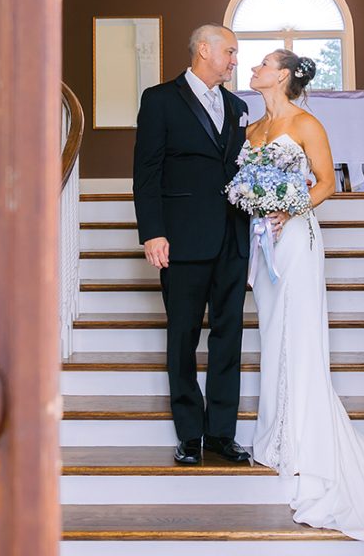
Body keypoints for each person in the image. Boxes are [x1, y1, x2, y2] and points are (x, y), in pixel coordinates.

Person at [237, 48, 364, 549]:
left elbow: (324, 185)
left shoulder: (307, 123)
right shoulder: (251, 129)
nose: (253, 70)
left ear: (284, 76)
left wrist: (288, 209)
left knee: (297, 331)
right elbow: (246, 183)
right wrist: (257, 206)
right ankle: (275, 435)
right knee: (272, 333)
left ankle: (304, 440)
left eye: (262, 65)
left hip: (296, 240)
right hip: (262, 243)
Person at [133, 24, 250, 466]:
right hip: (181, 238)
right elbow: (146, 171)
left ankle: (221, 432)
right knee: (183, 336)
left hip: (233, 238)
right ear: (205, 50)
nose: (235, 60)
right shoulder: (159, 99)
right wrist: (152, 231)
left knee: (229, 336)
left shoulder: (238, 106)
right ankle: (189, 433)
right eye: (230, 52)